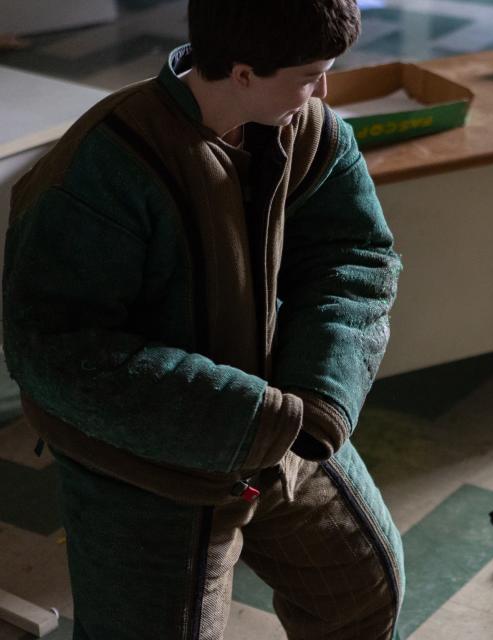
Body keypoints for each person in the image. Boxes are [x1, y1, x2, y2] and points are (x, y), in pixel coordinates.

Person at [2, 1, 404, 638]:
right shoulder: (101, 167)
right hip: (144, 471)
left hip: (288, 435)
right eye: (309, 75)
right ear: (243, 73)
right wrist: (253, 419)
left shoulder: (313, 130)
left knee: (363, 593)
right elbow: (52, 349)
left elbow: (352, 256)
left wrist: (322, 399)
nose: (323, 91)